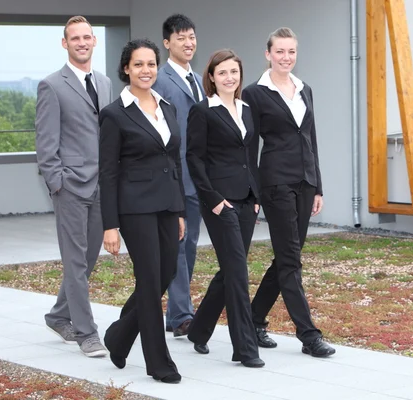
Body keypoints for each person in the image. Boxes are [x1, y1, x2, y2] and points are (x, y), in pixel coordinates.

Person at [242, 27, 336, 358]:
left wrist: (318, 186)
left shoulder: (304, 89)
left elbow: (310, 138)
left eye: (291, 52)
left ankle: (253, 319)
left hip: (306, 182)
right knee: (291, 260)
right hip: (276, 182)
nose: (286, 58)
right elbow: (249, 147)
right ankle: (309, 334)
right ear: (268, 54)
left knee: (286, 257)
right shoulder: (255, 93)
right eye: (280, 51)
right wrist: (251, 193)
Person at [99, 38, 186, 384]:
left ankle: (119, 337)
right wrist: (110, 225)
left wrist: (179, 209)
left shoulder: (168, 108)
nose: (146, 70)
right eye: (138, 64)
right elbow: (107, 173)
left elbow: (174, 162)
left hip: (167, 205)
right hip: (134, 209)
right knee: (149, 281)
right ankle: (159, 362)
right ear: (126, 69)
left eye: (151, 64)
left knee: (164, 276)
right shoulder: (114, 114)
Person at [35, 15, 112, 358]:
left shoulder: (107, 83)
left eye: (87, 37)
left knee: (88, 258)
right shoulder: (52, 85)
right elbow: (45, 142)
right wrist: (58, 185)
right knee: (76, 262)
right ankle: (86, 333)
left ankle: (57, 315)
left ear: (94, 41)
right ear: (65, 44)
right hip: (71, 188)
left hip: (101, 187)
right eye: (75, 38)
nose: (82, 42)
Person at [186, 49, 264, 368]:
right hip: (219, 202)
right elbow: (194, 158)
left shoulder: (247, 110)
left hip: (247, 199)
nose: (229, 77)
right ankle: (244, 348)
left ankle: (198, 330)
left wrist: (256, 196)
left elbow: (251, 156)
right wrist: (214, 199)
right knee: (238, 273)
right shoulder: (202, 111)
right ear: (212, 77)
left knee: (231, 269)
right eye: (222, 73)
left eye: (234, 72)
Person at [152, 14, 205, 338]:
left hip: (199, 178)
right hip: (175, 177)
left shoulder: (199, 80)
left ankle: (176, 314)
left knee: (191, 244)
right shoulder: (159, 79)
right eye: (181, 37)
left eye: (192, 37)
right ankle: (182, 314)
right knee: (178, 245)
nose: (188, 43)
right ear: (167, 43)